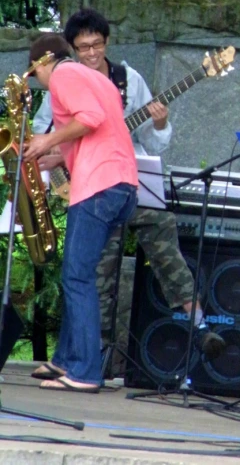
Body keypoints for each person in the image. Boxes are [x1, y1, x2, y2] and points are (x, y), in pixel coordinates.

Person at [32, 9, 224, 365]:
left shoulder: (128, 79)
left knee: (163, 230)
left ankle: (199, 325)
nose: (91, 53)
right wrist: (60, 156)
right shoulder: (64, 81)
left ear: (107, 43)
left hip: (130, 179)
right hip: (89, 182)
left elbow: (156, 143)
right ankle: (96, 355)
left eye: (97, 44)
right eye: (83, 47)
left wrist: (160, 122)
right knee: (97, 270)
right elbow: (43, 136)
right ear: (71, 50)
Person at [24, 33, 138, 392]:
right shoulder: (97, 78)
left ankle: (86, 372)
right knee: (81, 274)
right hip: (121, 184)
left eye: (34, 73)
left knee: (76, 277)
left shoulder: (64, 75)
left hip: (97, 185)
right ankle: (66, 361)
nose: (38, 81)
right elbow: (99, 130)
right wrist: (54, 158)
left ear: (44, 61)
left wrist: (46, 141)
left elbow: (88, 119)